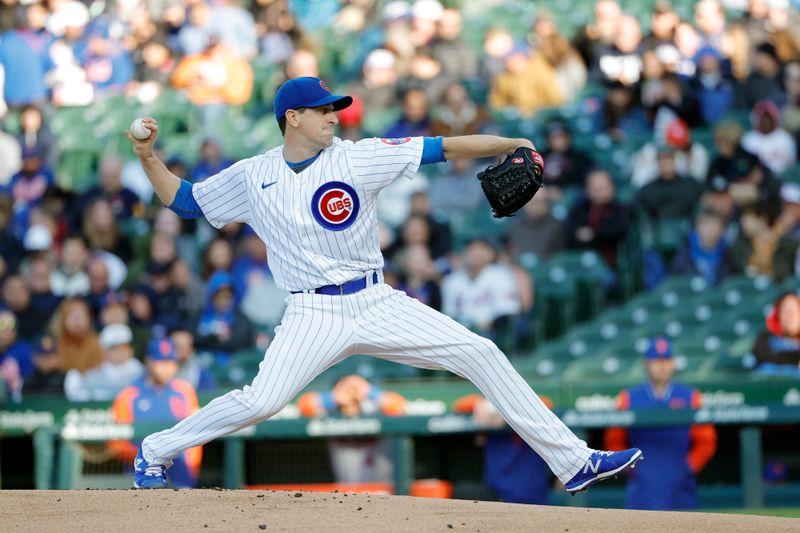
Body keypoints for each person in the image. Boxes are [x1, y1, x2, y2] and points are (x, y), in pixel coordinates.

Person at [125, 75, 642, 490]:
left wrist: (509, 142)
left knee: (480, 352)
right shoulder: (254, 175)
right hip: (312, 312)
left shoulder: (357, 156)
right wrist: (149, 157)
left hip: (374, 299)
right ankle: (156, 451)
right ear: (293, 118)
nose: (335, 115)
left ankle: (574, 462)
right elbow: (187, 200)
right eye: (325, 109)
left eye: (335, 108)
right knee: (261, 401)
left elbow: (443, 147)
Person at [604, 337, 717, 510]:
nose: (661, 365)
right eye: (656, 360)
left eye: (666, 360)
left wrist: (688, 466)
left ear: (673, 363)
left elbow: (706, 441)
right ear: (646, 364)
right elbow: (614, 439)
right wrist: (630, 468)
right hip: (642, 484)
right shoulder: (628, 398)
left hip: (680, 484)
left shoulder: (691, 396)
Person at [111, 338, 202, 488]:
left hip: (179, 468)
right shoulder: (128, 395)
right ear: (148, 362)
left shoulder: (185, 391)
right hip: (139, 469)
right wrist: (148, 457)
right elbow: (116, 442)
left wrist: (191, 467)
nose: (167, 368)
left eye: (171, 362)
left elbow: (195, 435)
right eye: (161, 362)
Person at [297, 374, 405, 484]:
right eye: (346, 390)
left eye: (354, 390)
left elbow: (398, 406)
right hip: (347, 490)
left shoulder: (374, 410)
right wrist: (333, 397)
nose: (350, 394)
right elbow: (304, 405)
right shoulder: (331, 413)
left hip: (383, 489)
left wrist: (367, 390)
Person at [454, 393, 553, 504]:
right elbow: (459, 405)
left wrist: (506, 409)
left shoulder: (530, 423)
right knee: (462, 491)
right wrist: (487, 405)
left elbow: (547, 404)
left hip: (532, 499)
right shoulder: (491, 428)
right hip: (497, 499)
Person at [64, 323, 144, 401]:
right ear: (104, 350)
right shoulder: (94, 368)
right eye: (115, 347)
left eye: (124, 346)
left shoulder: (139, 370)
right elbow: (74, 390)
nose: (121, 351)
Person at [751, 293, 800, 375]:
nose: (790, 315)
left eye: (795, 310)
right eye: (786, 311)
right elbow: (764, 357)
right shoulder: (765, 338)